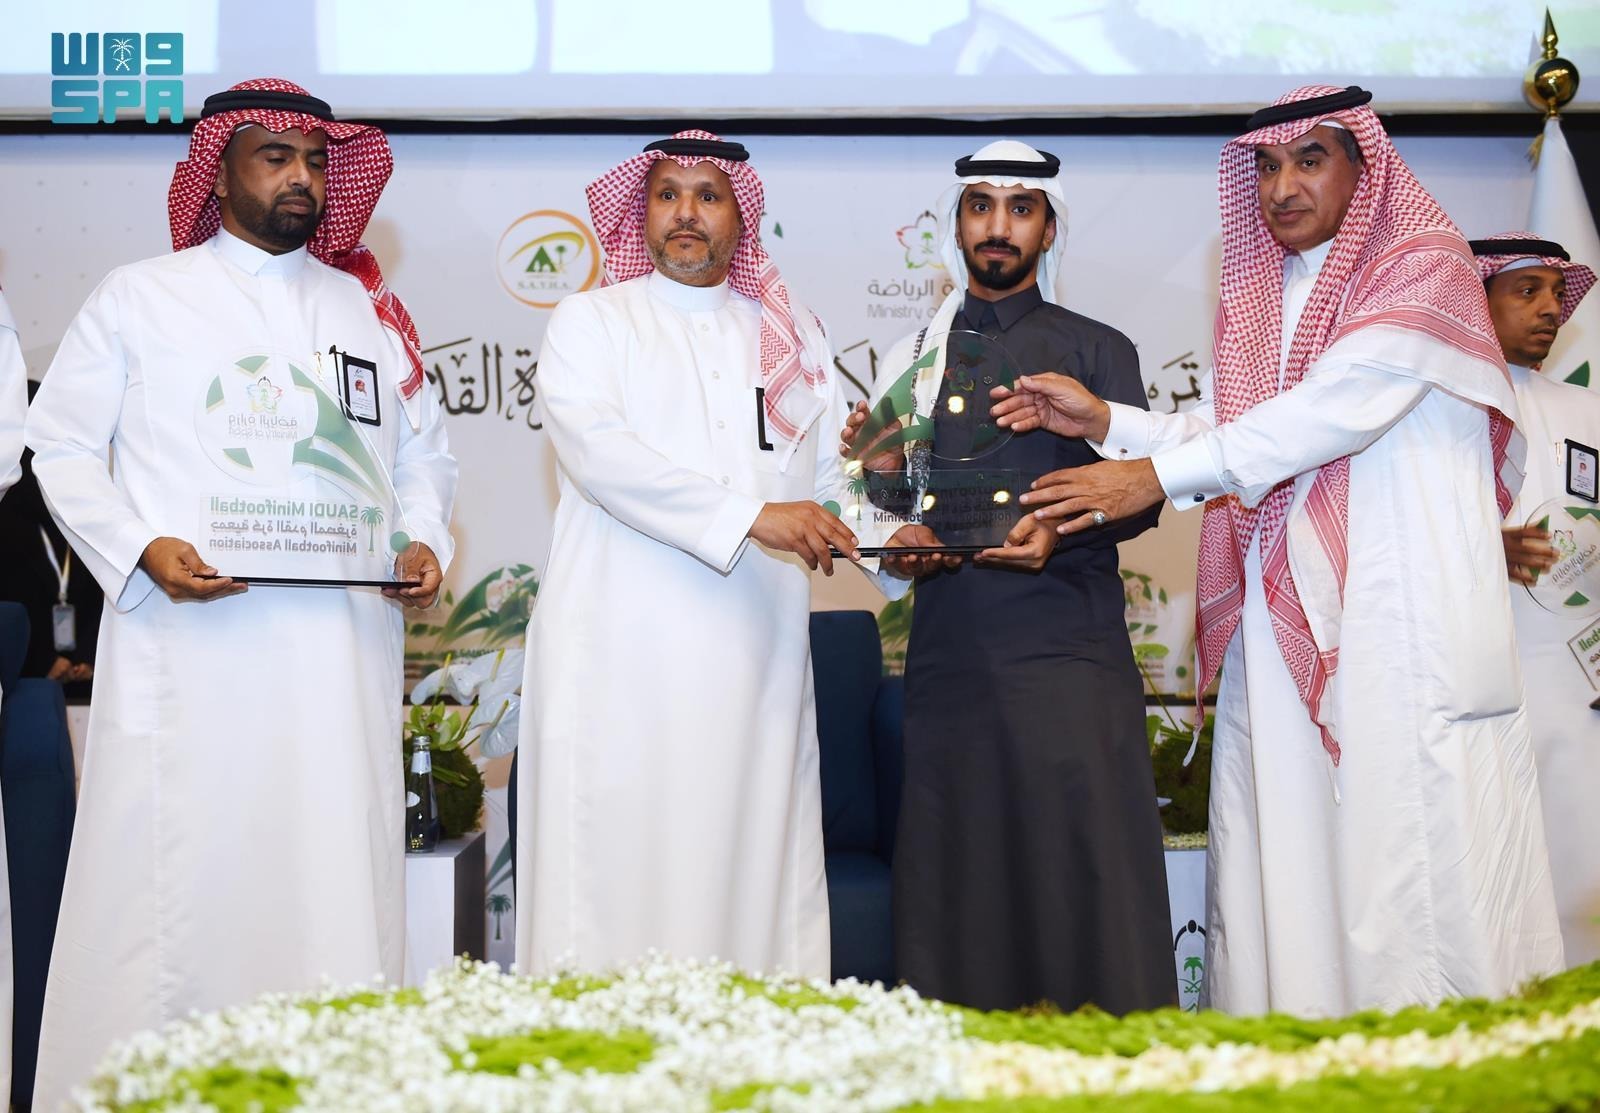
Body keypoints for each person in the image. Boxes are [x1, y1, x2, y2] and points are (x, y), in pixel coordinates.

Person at [992, 85, 1563, 1016]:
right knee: (1287, 861)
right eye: (1264, 165)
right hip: (1289, 627)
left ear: (1365, 168)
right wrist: (1109, 423)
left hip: (1401, 632)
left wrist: (1151, 479)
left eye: (1310, 160)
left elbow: (1325, 415)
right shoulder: (1272, 294)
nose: (1282, 186)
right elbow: (1241, 431)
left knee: (1406, 883)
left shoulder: (1424, 268)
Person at [24, 79, 457, 1104]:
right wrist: (141, 546)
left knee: (331, 888)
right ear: (217, 173)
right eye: (274, 156)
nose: (300, 176)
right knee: (185, 892)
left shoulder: (365, 310)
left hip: (337, 660)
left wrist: (424, 540)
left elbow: (425, 458)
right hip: (196, 656)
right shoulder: (140, 296)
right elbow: (62, 447)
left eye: (314, 159)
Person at [515, 131, 887, 980]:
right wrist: (754, 516)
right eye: (667, 194)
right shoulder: (592, 322)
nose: (686, 212)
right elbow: (603, 457)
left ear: (739, 217)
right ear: (641, 212)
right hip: (618, 663)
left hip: (753, 667)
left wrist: (895, 524)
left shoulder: (793, 338)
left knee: (746, 881)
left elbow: (833, 486)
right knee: (614, 885)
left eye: (708, 195)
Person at [843, 141, 1173, 1012]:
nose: (998, 225)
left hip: (1068, 652)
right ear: (956, 225)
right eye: (980, 206)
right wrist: (894, 519)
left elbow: (1143, 498)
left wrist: (1059, 530)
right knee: (960, 877)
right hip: (951, 660)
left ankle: (1101, 1069)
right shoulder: (914, 354)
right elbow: (882, 500)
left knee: (1081, 869)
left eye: (1020, 208)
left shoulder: (1099, 349)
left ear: (1049, 229)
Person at [1473, 232, 1600, 966]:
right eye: (1528, 292)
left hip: (1581, 693)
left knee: (1581, 872)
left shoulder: (1588, 412)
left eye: (1556, 293)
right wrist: (1478, 549)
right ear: (1474, 299)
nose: (1551, 309)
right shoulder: (1437, 407)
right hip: (1483, 688)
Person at [0, 381, 103, 698]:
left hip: (83, 681)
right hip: (20, 681)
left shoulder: (78, 502)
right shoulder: (7, 509)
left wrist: (87, 654)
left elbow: (100, 589)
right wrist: (42, 658)